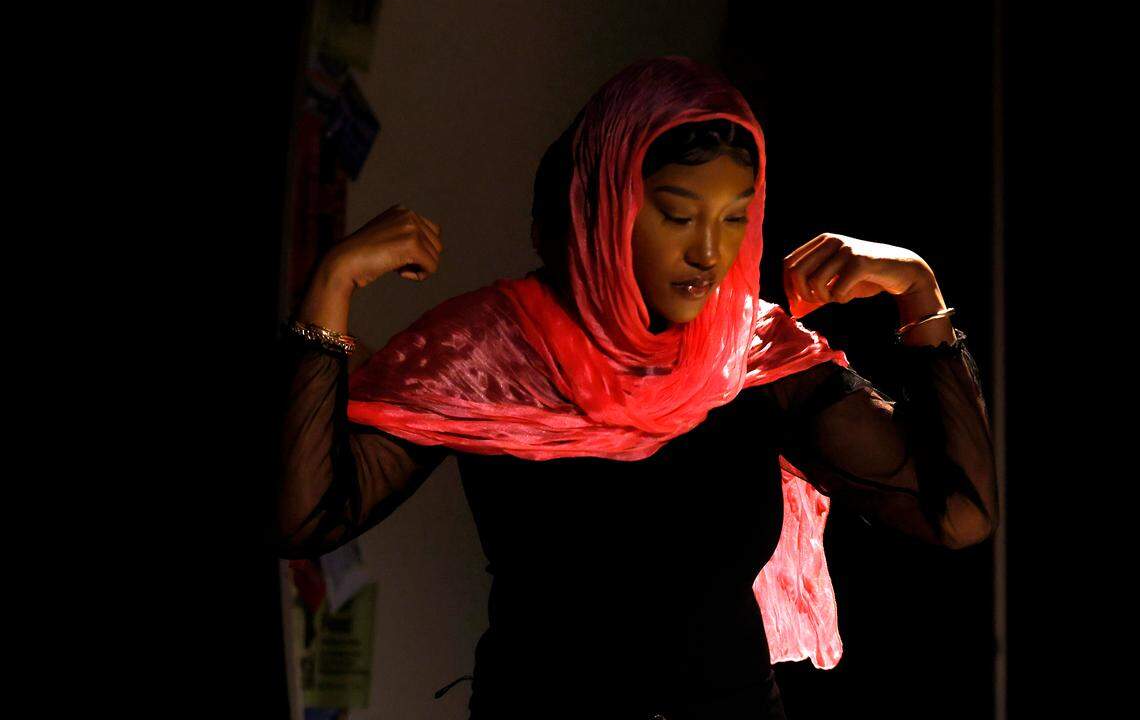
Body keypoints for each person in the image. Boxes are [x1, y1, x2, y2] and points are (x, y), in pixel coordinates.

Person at [271, 55, 998, 719]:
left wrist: (919, 291)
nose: (711, 252)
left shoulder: (752, 354)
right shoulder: (489, 354)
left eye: (736, 217)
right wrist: (329, 287)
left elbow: (957, 514)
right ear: (606, 207)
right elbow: (306, 521)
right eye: (679, 215)